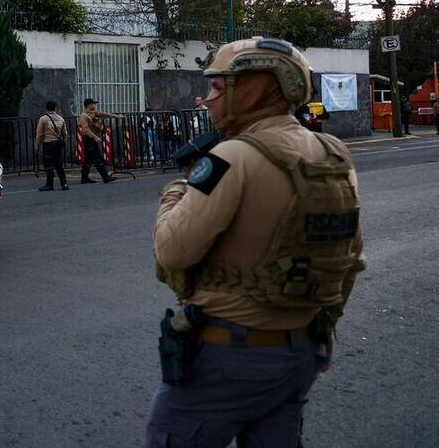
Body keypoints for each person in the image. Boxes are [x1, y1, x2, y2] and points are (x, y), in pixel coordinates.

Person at [146, 37, 366, 447]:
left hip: (227, 356)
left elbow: (172, 250)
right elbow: (349, 256)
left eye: (217, 87)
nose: (207, 98)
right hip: (300, 349)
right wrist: (323, 329)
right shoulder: (333, 152)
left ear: (252, 89)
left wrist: (175, 193)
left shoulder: (231, 158)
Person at [78, 98, 125, 184]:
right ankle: (105, 177)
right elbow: (85, 129)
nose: (95, 106)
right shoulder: (84, 116)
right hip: (89, 139)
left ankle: (85, 178)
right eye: (93, 104)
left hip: (92, 138)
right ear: (88, 105)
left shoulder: (93, 113)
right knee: (97, 159)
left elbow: (104, 114)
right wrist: (95, 137)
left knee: (88, 160)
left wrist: (117, 116)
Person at [34, 100, 69, 191]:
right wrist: (62, 143)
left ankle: (49, 184)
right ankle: (64, 184)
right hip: (58, 144)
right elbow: (65, 134)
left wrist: (37, 147)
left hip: (48, 144)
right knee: (59, 165)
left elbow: (39, 134)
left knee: (49, 165)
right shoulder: (61, 119)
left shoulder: (43, 119)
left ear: (46, 108)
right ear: (55, 108)